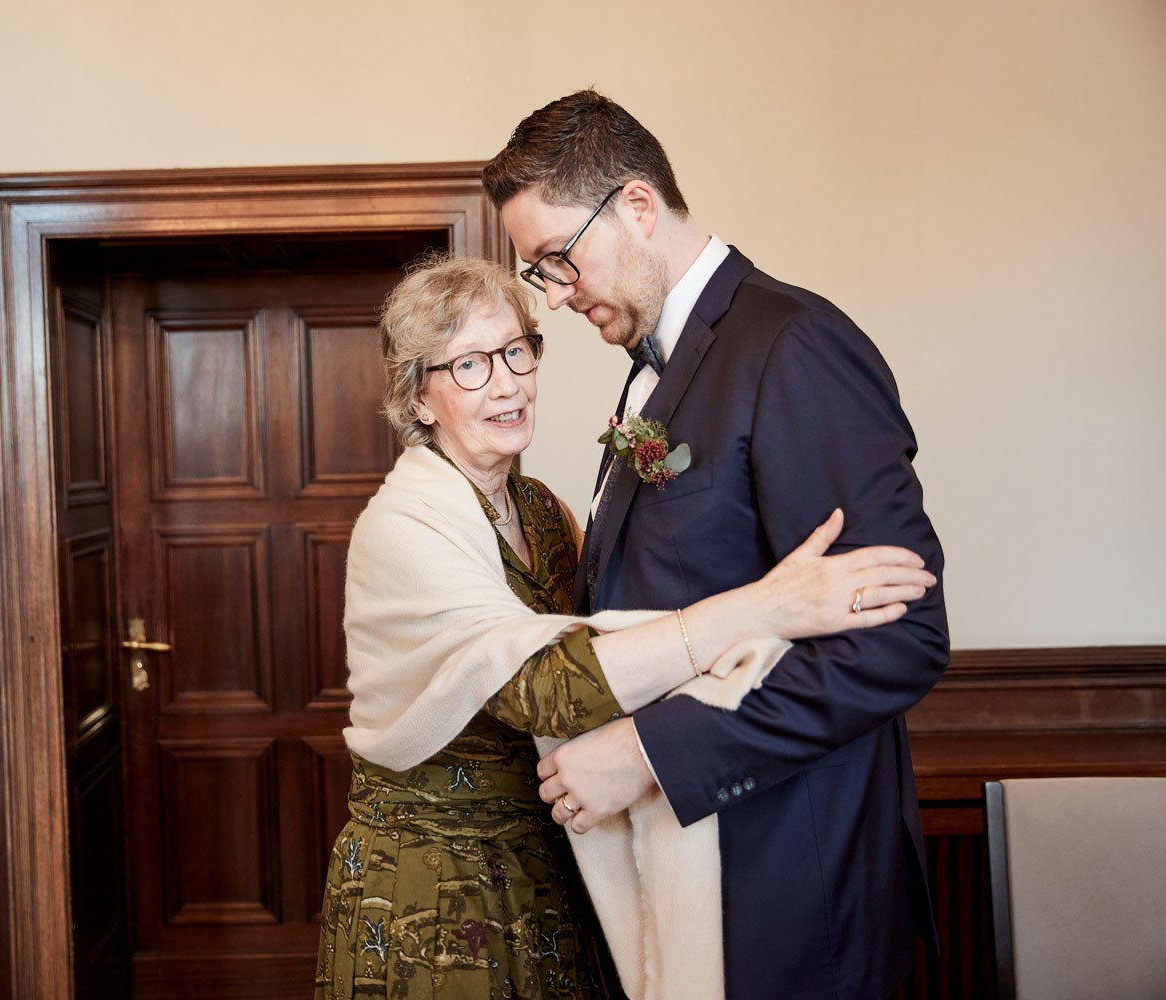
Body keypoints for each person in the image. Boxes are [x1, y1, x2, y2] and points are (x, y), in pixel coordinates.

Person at [314, 254, 936, 998]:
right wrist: (770, 605)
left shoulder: (540, 511)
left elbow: (613, 633)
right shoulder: (402, 528)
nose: (507, 383)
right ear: (419, 397)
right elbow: (549, 691)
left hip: (553, 866)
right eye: (470, 365)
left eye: (516, 350)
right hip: (436, 889)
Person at [481, 90, 950, 999]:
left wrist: (646, 753)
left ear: (637, 206)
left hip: (792, 886)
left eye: (560, 260)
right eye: (541, 273)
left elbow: (900, 641)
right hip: (687, 878)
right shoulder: (655, 370)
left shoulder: (795, 345)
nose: (558, 295)